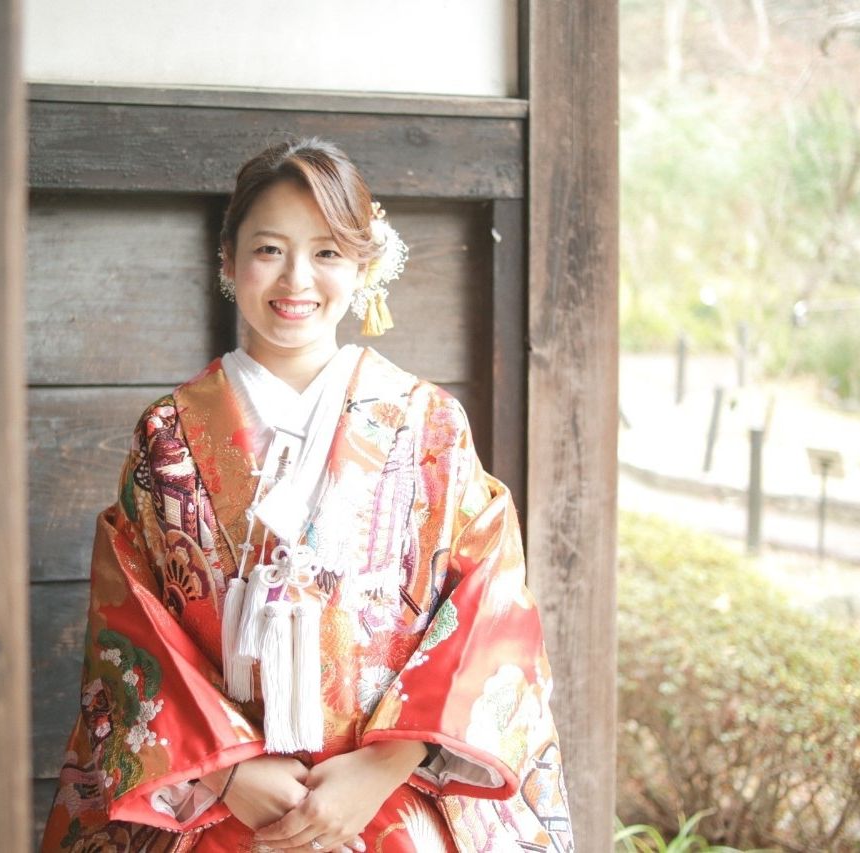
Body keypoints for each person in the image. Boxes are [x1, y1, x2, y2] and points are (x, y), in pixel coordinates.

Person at [40, 138, 572, 853]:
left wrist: (383, 765)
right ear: (227, 260)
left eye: (327, 252)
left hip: (389, 794)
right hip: (219, 798)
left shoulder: (428, 424)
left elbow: (490, 602)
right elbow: (129, 619)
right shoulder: (168, 433)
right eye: (269, 249)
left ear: (364, 266)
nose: (297, 278)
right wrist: (231, 773)